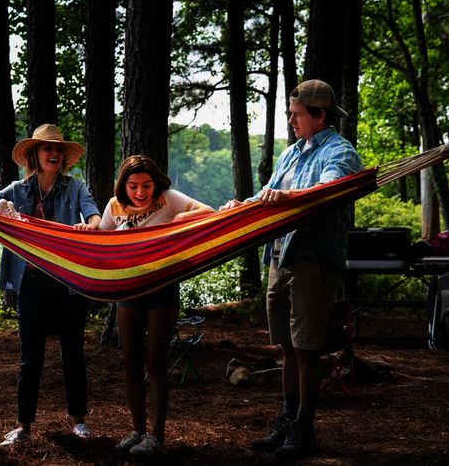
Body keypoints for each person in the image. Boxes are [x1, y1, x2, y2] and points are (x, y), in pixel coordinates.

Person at [221, 79, 362, 460]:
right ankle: (286, 419)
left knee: (305, 349)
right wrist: (243, 206)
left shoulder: (340, 152)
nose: (291, 121)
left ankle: (304, 425)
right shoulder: (292, 153)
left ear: (320, 115)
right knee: (285, 346)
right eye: (289, 114)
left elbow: (328, 191)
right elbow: (268, 193)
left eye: (297, 114)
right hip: (280, 257)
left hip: (312, 260)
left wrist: (288, 198)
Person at [0, 123, 101, 446]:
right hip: (31, 282)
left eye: (58, 149)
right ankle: (23, 426)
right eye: (47, 148)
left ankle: (78, 421)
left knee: (73, 354)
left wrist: (88, 227)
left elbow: (94, 216)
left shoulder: (75, 188)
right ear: (34, 155)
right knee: (30, 357)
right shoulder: (16, 190)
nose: (54, 153)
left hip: (68, 281)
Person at [99, 155, 214, 456]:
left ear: (156, 183)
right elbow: (101, 241)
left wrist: (178, 220)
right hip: (129, 288)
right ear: (124, 185)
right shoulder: (114, 206)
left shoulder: (169, 199)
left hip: (163, 288)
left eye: (146, 185)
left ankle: (156, 436)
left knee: (156, 361)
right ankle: (136, 430)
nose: (140, 192)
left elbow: (208, 212)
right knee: (131, 361)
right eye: (133, 186)